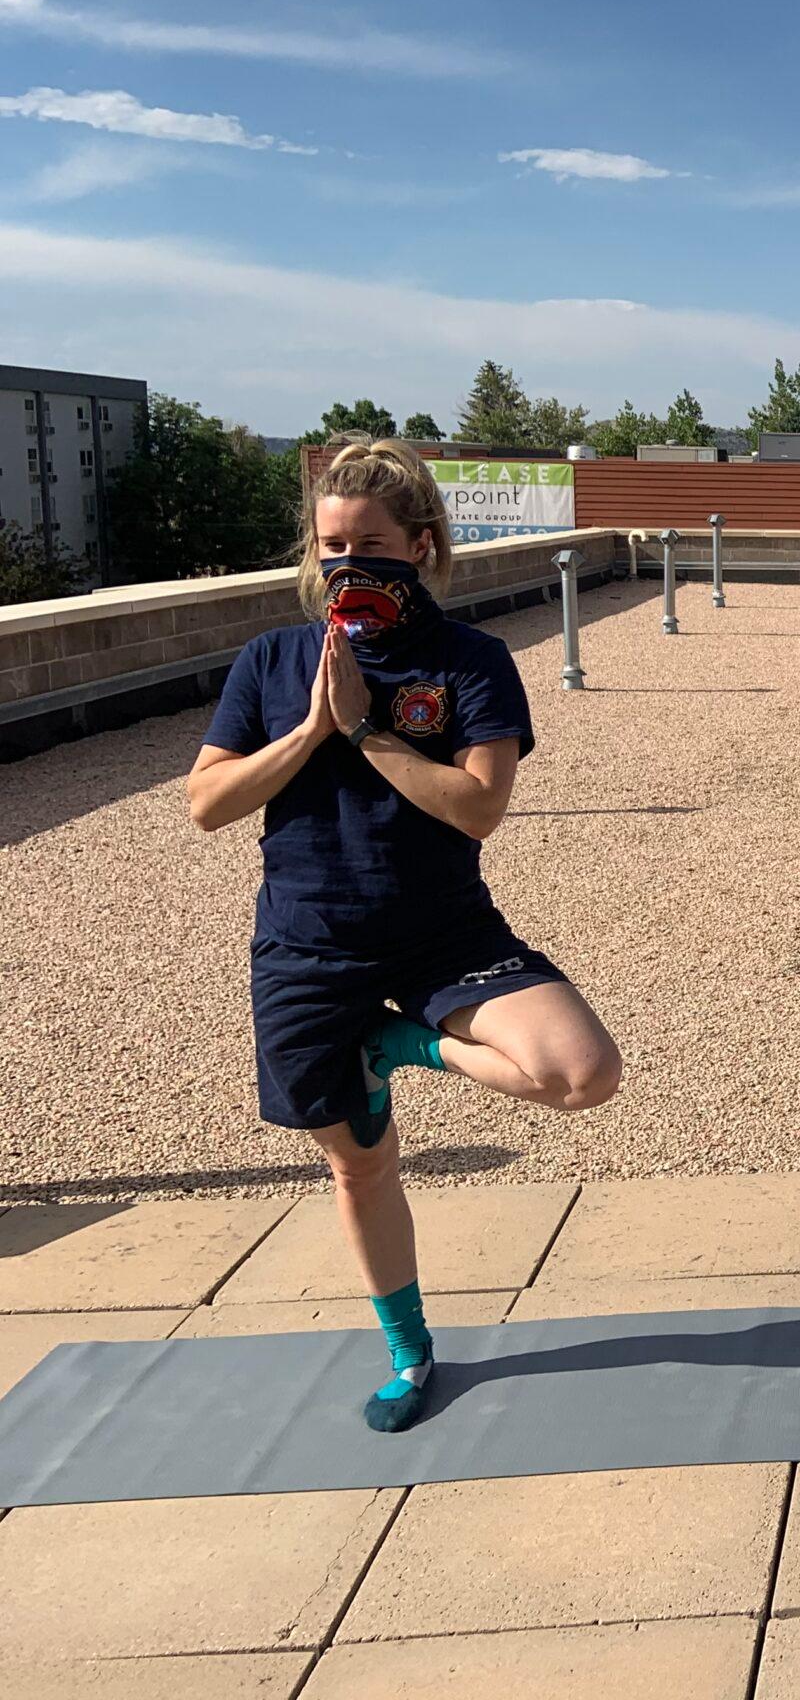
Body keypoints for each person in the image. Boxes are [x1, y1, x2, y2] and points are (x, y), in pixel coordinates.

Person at [188, 436, 622, 1431]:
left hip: (443, 935)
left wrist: (370, 733)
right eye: (331, 545)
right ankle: (409, 1351)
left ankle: (399, 1047)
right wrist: (308, 731)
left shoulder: (470, 661)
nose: (346, 564)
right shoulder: (273, 660)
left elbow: (477, 808)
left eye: (369, 543)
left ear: (420, 545)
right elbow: (206, 804)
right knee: (360, 1165)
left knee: (582, 1072)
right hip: (308, 944)